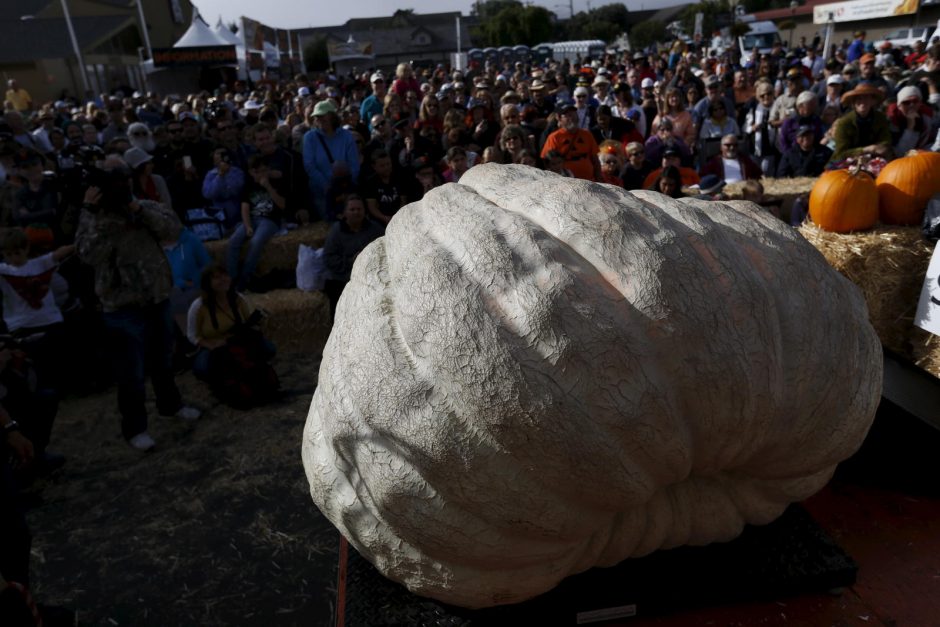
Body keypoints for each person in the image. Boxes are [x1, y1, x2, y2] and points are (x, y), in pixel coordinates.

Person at [74, 158, 200, 451]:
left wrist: (137, 209)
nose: (121, 188)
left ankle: (171, 405)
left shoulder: (141, 208)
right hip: (121, 307)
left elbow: (172, 229)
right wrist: (91, 212)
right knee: (131, 374)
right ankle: (136, 428)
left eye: (124, 181)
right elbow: (86, 255)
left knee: (163, 362)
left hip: (156, 297)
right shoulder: (93, 218)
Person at [226, 154, 285, 292]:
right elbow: (245, 208)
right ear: (251, 172)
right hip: (252, 219)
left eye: (264, 170)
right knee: (234, 241)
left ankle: (245, 277)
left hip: (270, 220)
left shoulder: (277, 182)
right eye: (257, 171)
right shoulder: (248, 186)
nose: (261, 174)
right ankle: (232, 278)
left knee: (256, 241)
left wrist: (269, 187)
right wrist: (247, 226)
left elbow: (282, 205)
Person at [322, 195, 383, 320]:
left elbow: (386, 249)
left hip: (370, 276)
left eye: (359, 209)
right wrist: (351, 261)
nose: (356, 212)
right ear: (345, 212)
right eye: (352, 209)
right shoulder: (336, 231)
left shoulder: (375, 229)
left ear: (364, 211)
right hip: (343, 278)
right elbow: (328, 258)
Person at [302, 100, 359, 221]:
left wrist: (347, 188)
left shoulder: (347, 136)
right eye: (317, 116)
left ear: (333, 116)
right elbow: (309, 166)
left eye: (323, 115)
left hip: (346, 194)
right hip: (322, 195)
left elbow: (354, 164)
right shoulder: (310, 138)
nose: (320, 118)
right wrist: (327, 187)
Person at [830, 82, 892, 164]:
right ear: (853, 103)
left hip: (875, 160)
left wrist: (881, 147)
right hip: (847, 163)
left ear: (872, 101)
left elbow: (886, 141)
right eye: (859, 98)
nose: (863, 102)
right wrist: (866, 150)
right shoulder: (844, 123)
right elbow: (840, 153)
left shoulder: (881, 118)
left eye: (866, 98)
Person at [540, 101, 601, 181]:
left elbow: (595, 160)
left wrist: (599, 180)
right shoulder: (554, 137)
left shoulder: (587, 135)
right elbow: (547, 162)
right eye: (568, 115)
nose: (572, 117)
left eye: (574, 114)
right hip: (566, 183)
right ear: (559, 118)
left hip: (589, 181)